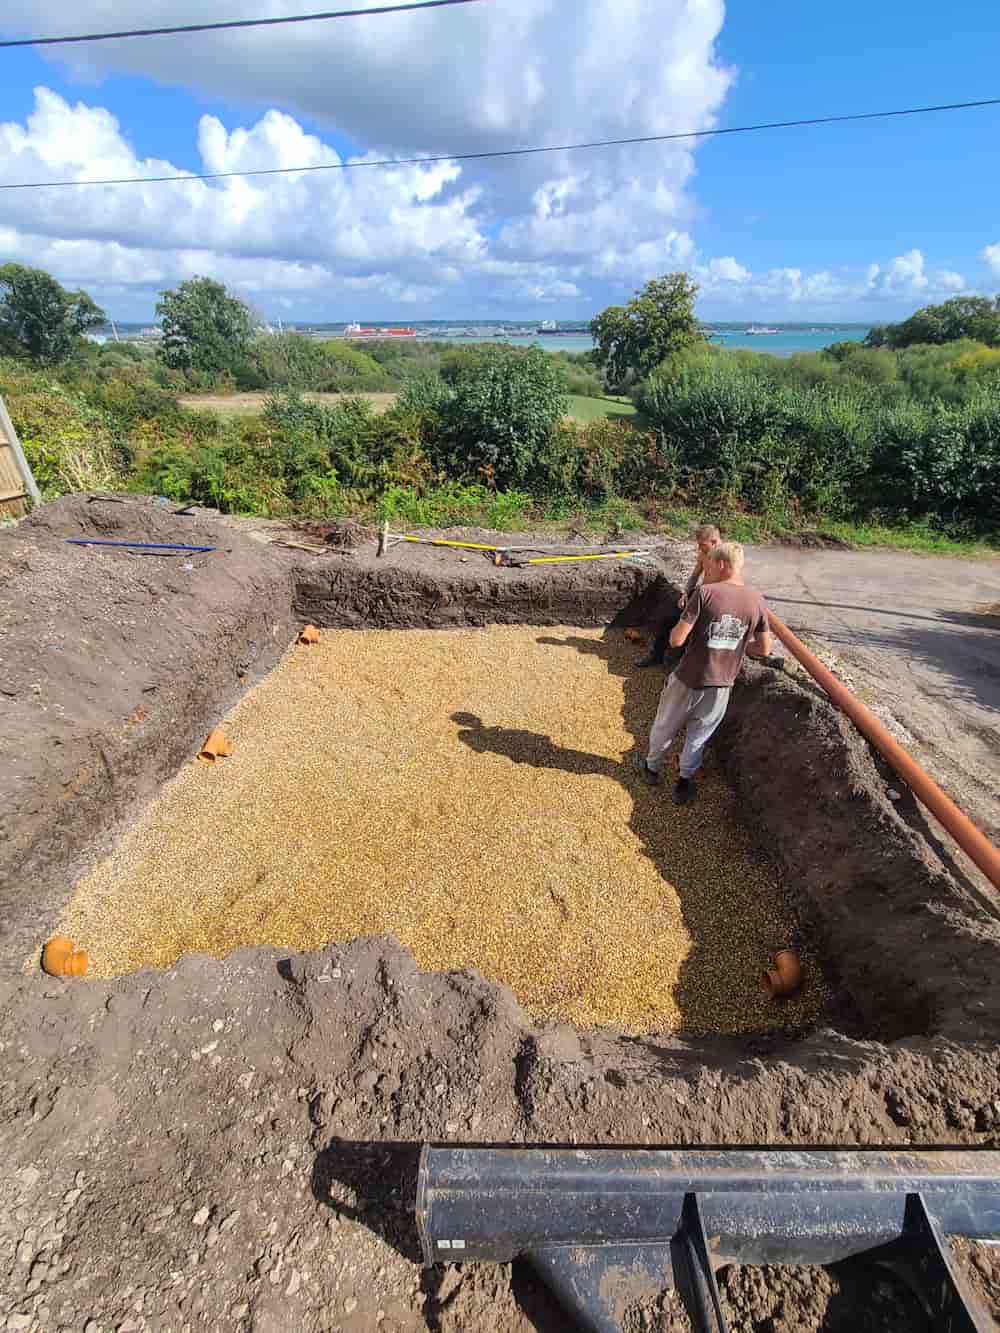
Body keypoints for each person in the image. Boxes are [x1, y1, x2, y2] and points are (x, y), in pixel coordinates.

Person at [633, 541, 771, 805]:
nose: (708, 571)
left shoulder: (706, 593)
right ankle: (684, 783)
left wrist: (682, 631)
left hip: (688, 678)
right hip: (721, 684)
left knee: (666, 725)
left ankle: (651, 769)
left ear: (722, 564)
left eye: (710, 566)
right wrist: (736, 645)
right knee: (700, 734)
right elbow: (764, 649)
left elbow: (676, 641)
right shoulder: (757, 600)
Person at [636, 523, 722, 668]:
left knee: (694, 633)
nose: (699, 548)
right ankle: (656, 656)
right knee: (668, 619)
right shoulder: (704, 554)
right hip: (699, 594)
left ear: (713, 542)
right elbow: (695, 576)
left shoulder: (725, 558)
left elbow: (731, 586)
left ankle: (681, 666)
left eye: (702, 544)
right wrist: (686, 594)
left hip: (714, 600)